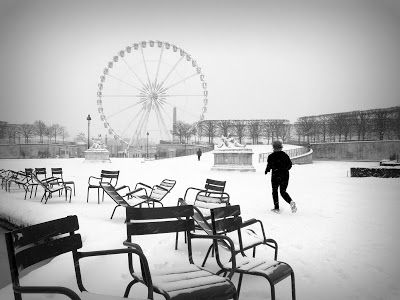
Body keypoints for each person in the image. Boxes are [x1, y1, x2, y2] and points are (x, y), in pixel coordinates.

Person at [265, 140, 297, 213]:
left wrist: (267, 170)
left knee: (275, 190)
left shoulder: (271, 156)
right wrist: (284, 169)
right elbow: (290, 165)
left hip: (275, 175)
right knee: (283, 191)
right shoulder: (285, 155)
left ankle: (276, 208)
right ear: (281, 147)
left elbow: (269, 165)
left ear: (273, 147)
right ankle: (291, 202)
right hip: (285, 175)